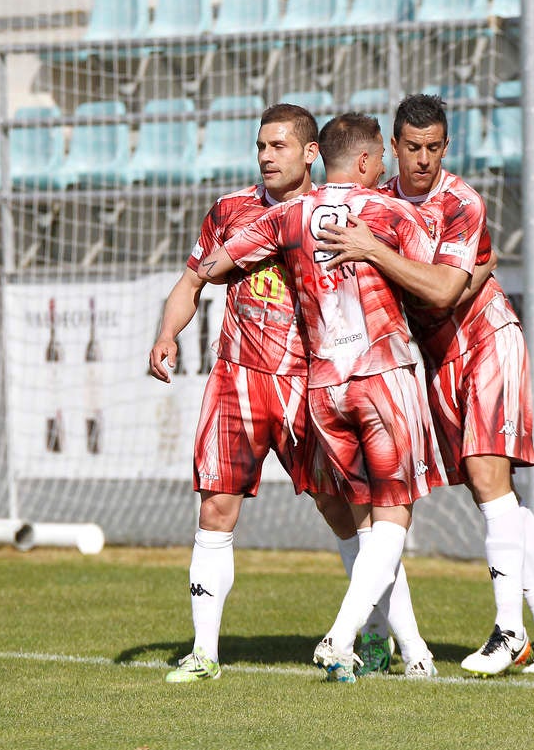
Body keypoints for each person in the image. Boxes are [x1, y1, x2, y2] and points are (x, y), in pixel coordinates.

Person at [198, 113, 474, 682]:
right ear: (372, 162)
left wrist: (194, 284)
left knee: (363, 522)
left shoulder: (289, 215)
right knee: (391, 515)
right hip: (381, 376)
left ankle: (413, 650)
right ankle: (342, 635)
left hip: (322, 387)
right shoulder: (393, 212)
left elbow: (216, 266)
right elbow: (439, 287)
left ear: (322, 156)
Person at [320, 94, 534, 675]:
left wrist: (373, 250)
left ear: (447, 145)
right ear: (392, 148)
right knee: (491, 493)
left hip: (487, 338)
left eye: (434, 147)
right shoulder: (378, 201)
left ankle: (508, 630)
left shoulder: (461, 202)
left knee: (491, 479)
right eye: (412, 148)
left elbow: (444, 293)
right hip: (437, 358)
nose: (423, 159)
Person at [149, 104, 362, 683]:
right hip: (236, 379)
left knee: (341, 508)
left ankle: (369, 633)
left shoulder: (334, 215)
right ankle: (205, 654)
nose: (266, 156)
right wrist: (168, 333)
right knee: (215, 507)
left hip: (307, 382)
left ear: (310, 152)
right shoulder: (230, 211)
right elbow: (193, 279)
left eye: (279, 146)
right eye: (261, 146)